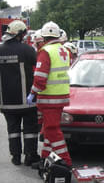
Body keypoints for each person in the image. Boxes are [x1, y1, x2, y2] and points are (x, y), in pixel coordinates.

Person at [27, 21, 72, 168]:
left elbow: (40, 77)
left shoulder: (46, 51)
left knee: (52, 130)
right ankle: (44, 159)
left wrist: (33, 93)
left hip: (49, 98)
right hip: (61, 96)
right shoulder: (64, 50)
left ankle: (66, 161)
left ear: (44, 37)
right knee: (47, 129)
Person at [0, 20, 40, 166]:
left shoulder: (0, 50)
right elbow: (38, 66)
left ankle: (16, 157)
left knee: (13, 130)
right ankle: (30, 156)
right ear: (20, 34)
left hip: (7, 102)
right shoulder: (27, 50)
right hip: (27, 101)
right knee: (30, 130)